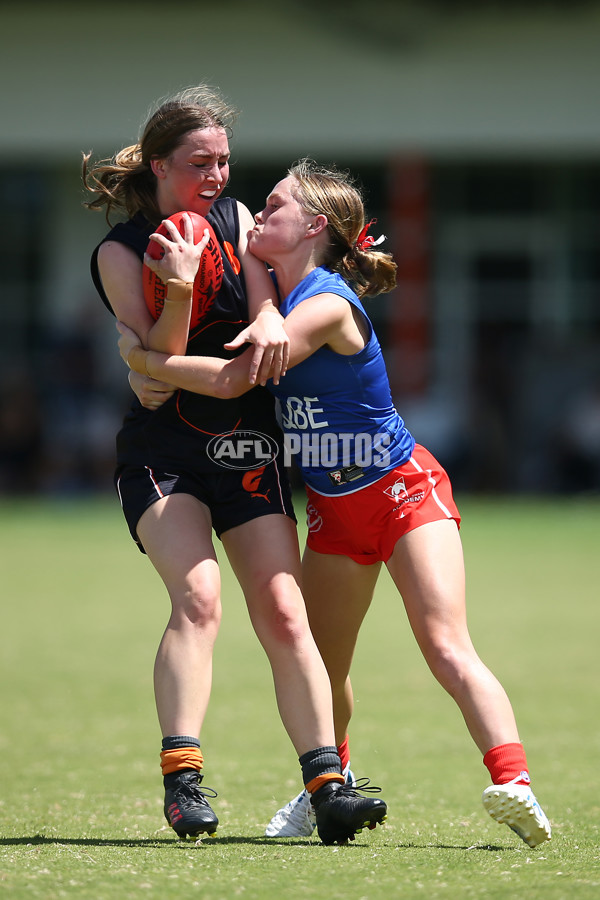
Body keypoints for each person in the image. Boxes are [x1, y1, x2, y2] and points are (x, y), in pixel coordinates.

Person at [117, 157, 552, 850]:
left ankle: (515, 783)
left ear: (314, 226)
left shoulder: (325, 302)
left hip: (403, 491)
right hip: (332, 509)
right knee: (322, 661)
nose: (258, 215)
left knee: (444, 643)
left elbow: (233, 383)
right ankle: (329, 784)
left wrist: (142, 361)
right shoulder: (273, 301)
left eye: (275, 206)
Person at [82, 91, 387, 846]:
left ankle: (328, 787)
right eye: (198, 163)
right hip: (164, 453)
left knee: (286, 612)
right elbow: (161, 350)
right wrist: (179, 290)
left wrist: (247, 328)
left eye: (223, 160)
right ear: (160, 165)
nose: (216, 175)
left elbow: (253, 330)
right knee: (200, 599)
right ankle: (182, 779)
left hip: (247, 444)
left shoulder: (239, 219)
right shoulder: (120, 252)